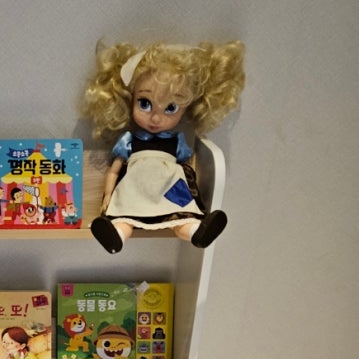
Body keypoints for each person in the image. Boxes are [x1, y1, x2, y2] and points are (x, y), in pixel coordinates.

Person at [83, 41, 245, 254]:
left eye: (170, 107)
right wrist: (107, 197)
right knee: (124, 218)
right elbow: (114, 170)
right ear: (130, 99)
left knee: (182, 219)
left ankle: (197, 232)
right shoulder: (129, 140)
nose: (156, 118)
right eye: (145, 103)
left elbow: (187, 168)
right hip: (136, 187)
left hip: (168, 188)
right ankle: (116, 237)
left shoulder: (177, 141)